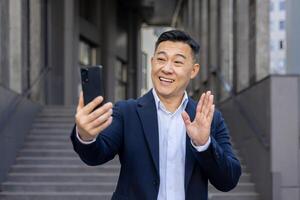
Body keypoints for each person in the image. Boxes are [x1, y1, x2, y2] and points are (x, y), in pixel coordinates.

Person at [71, 30, 241, 200]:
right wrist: (86, 136)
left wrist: (204, 144)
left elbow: (228, 180)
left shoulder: (209, 118)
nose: (167, 69)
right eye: (161, 59)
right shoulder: (127, 112)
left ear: (193, 70)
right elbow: (96, 155)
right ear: (152, 63)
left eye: (177, 62)